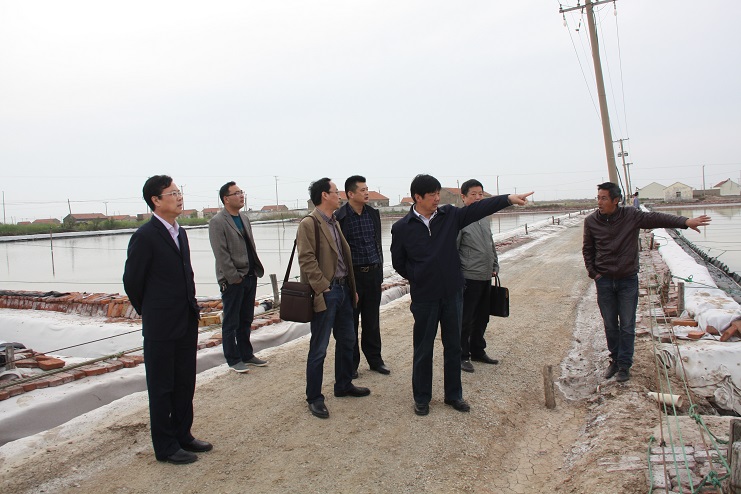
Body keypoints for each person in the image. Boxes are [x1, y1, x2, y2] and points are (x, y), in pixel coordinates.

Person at [391, 174, 532, 416]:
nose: (438, 198)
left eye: (438, 193)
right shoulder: (402, 228)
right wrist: (419, 275)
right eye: (432, 195)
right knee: (423, 348)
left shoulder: (450, 216)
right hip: (425, 297)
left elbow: (479, 208)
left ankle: (454, 395)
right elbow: (399, 262)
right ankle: (422, 397)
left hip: (452, 294)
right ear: (417, 198)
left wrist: (508, 199)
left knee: (453, 346)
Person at [582, 182, 711, 383]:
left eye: (604, 198)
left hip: (627, 280)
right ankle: (614, 360)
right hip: (604, 281)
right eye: (598, 197)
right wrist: (594, 274)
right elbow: (588, 250)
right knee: (610, 324)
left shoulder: (631, 216)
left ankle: (624, 365)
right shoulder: (591, 221)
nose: (599, 202)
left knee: (627, 324)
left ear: (616, 200)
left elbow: (657, 218)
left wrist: (685, 222)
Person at [123, 175, 212, 465]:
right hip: (161, 325)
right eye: (172, 193)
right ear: (156, 200)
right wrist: (152, 311)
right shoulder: (145, 236)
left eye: (179, 192)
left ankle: (183, 434)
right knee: (162, 387)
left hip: (185, 319)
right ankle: (165, 446)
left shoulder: (180, 232)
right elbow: (132, 282)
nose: (179, 197)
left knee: (185, 381)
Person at [298, 178, 370, 419]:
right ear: (324, 195)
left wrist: (351, 287)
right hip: (327, 293)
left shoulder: (334, 221)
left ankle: (343, 384)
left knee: (348, 340)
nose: (339, 195)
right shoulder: (309, 223)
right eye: (335, 192)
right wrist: (324, 288)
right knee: (319, 347)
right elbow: (306, 259)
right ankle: (314, 397)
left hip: (344, 291)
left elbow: (343, 258)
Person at [208, 182, 267, 373]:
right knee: (231, 322)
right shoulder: (217, 222)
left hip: (250, 275)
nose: (241, 196)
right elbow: (221, 254)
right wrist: (234, 277)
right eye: (237, 193)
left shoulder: (244, 218)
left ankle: (246, 354)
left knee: (246, 319)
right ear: (226, 198)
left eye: (242, 192)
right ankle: (233, 359)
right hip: (233, 279)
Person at [335, 175, 389, 378]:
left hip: (373, 273)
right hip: (353, 278)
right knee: (350, 323)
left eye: (367, 189)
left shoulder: (373, 214)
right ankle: (352, 365)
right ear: (350, 194)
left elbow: (377, 243)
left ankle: (375, 360)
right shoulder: (340, 217)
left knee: (372, 320)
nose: (366, 193)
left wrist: (380, 271)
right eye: (362, 190)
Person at [457, 179, 500, 373]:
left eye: (480, 194)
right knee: (466, 319)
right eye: (473, 194)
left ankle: (477, 350)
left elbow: (490, 244)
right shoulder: (460, 219)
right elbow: (454, 249)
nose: (477, 197)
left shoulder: (484, 218)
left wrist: (495, 264)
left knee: (483, 317)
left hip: (485, 275)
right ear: (463, 197)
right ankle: (462, 355)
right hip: (469, 277)